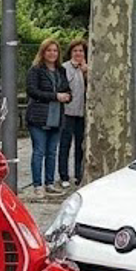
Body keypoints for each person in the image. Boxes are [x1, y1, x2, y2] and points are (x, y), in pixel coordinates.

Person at [26, 39, 71, 197]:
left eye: (55, 51)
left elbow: (67, 89)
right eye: (49, 50)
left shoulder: (61, 71)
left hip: (57, 116)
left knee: (52, 151)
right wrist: (54, 96)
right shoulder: (35, 70)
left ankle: (50, 183)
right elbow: (32, 91)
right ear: (43, 52)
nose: (52, 53)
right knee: (39, 151)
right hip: (39, 117)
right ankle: (38, 185)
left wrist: (67, 96)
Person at [58, 40, 87, 189]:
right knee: (65, 145)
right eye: (75, 51)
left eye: (81, 51)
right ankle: (63, 175)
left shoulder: (87, 69)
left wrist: (86, 72)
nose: (78, 54)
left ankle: (79, 174)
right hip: (67, 112)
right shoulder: (64, 68)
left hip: (82, 113)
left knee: (80, 146)